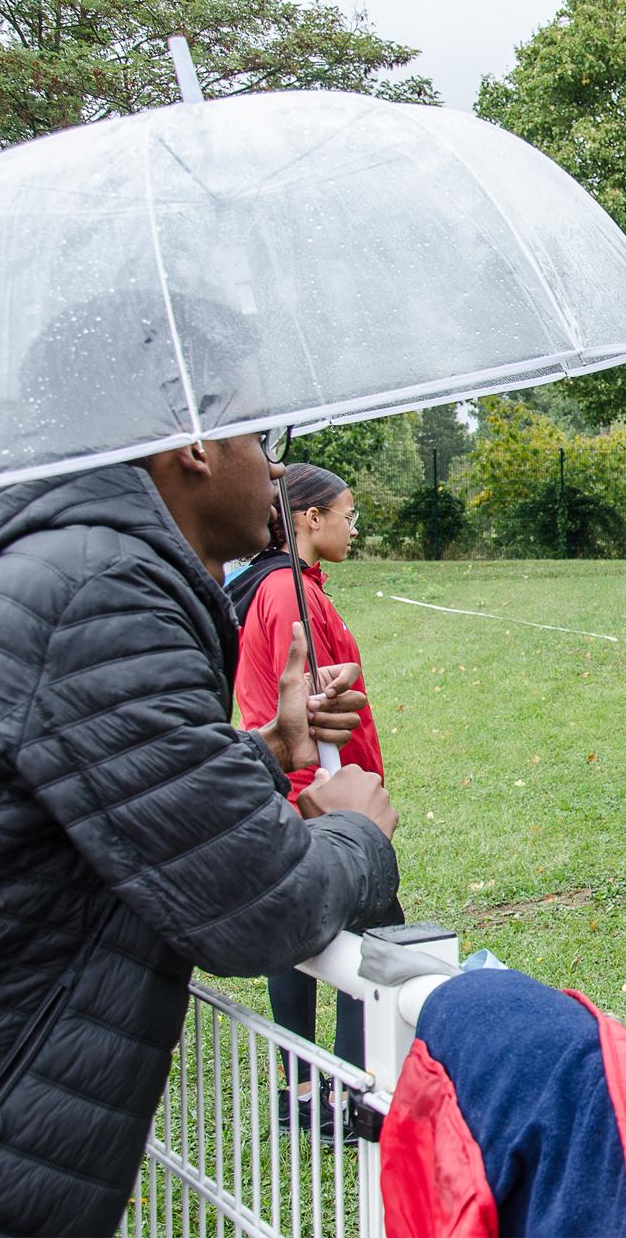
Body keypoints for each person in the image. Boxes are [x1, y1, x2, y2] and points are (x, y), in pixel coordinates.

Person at [0, 420, 401, 1234]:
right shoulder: (102, 589)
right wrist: (357, 835)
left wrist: (273, 746)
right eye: (259, 440)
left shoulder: (63, 568)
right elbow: (258, 904)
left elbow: (103, 778)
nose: (275, 469)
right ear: (196, 449)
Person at [233, 462, 402, 1138]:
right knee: (375, 944)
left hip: (320, 796)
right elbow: (290, 709)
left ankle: (305, 1092)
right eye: (346, 513)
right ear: (309, 518)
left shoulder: (297, 587)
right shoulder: (284, 594)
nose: (353, 527)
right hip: (316, 802)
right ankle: (335, 1096)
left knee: (308, 942)